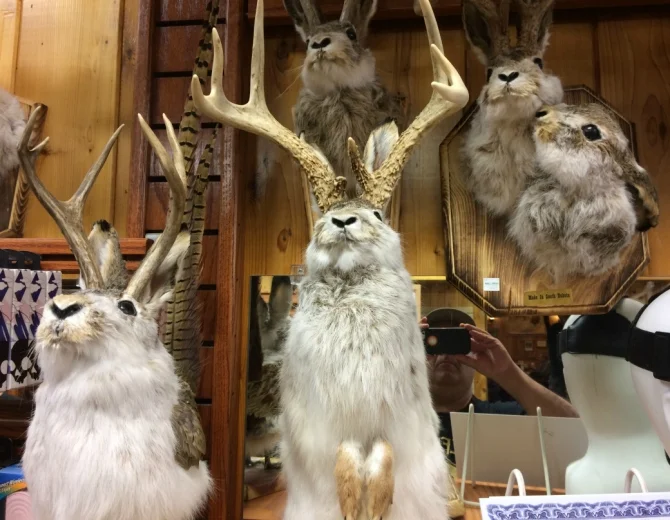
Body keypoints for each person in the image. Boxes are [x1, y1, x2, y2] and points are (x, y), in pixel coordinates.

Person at [421, 308, 578, 465]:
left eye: (456, 343)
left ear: (474, 353)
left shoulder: (499, 419)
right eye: (436, 343)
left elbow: (574, 432)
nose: (446, 354)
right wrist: (404, 363)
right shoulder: (405, 422)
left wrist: (508, 372)